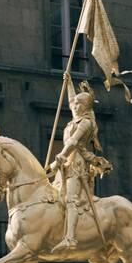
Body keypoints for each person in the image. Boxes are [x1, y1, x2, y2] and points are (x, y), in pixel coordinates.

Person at [49, 71, 112, 251]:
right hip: (66, 163)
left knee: (71, 199)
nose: (75, 105)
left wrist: (59, 158)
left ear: (86, 107)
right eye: (75, 103)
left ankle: (70, 238)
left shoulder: (85, 123)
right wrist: (68, 82)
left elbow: (74, 142)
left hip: (76, 165)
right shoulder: (75, 119)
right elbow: (70, 100)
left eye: (79, 103)